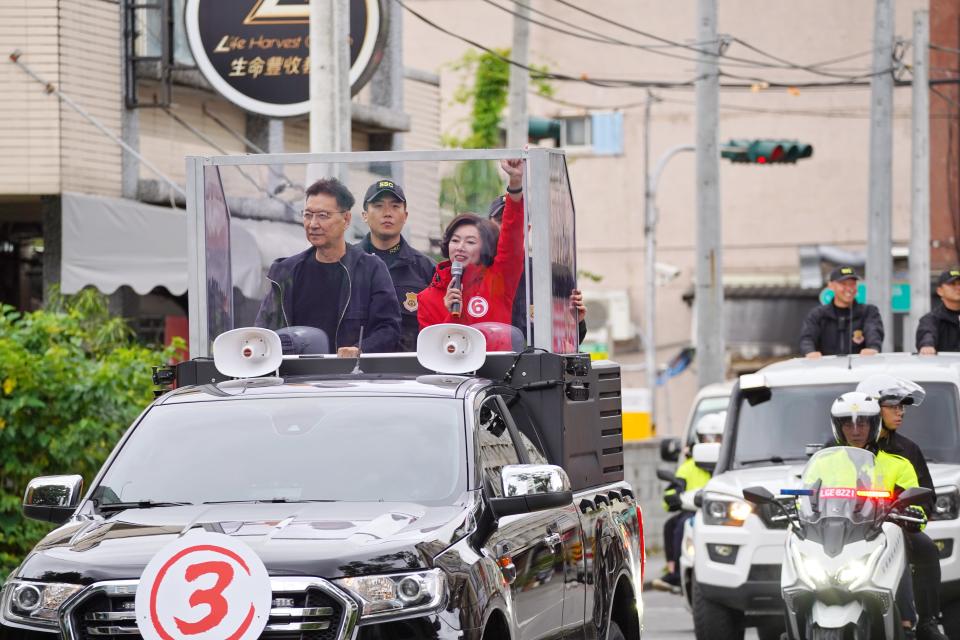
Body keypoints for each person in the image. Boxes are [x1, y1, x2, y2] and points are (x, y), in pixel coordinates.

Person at [817, 392, 946, 640]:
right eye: (848, 424)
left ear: (873, 424)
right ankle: (793, 616)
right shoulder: (826, 461)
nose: (855, 430)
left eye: (863, 423)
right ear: (838, 426)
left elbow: (918, 498)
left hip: (880, 532)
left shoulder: (899, 462)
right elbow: (809, 494)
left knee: (914, 547)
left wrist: (909, 511)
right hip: (836, 534)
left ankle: (911, 622)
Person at [255, 177, 401, 356]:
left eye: (323, 216)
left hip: (351, 378)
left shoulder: (370, 269)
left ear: (346, 219)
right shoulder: (286, 272)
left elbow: (389, 329)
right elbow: (264, 331)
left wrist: (360, 350)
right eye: (308, 215)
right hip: (294, 379)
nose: (313, 224)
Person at [857, 375, 941, 638]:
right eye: (893, 405)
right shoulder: (842, 445)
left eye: (902, 406)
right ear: (871, 407)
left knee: (926, 548)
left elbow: (926, 497)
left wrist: (913, 515)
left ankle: (924, 621)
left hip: (893, 526)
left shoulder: (907, 449)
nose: (900, 411)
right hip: (846, 527)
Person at [417, 159, 525, 333]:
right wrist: (451, 313)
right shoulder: (427, 298)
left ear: (484, 248)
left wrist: (515, 182)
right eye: (455, 240)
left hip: (497, 361)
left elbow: (512, 235)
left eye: (470, 242)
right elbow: (434, 351)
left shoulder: (498, 279)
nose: (460, 247)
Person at [488, 195, 588, 344]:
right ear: (487, 228)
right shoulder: (478, 275)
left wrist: (577, 321)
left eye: (516, 221)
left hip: (539, 365)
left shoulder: (554, 275)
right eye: (501, 220)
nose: (508, 225)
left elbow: (571, 341)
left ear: (527, 229)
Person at [652, 411, 725, 593]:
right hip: (693, 510)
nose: (711, 442)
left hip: (723, 513)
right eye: (707, 438)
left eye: (717, 438)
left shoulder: (728, 463)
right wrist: (672, 497)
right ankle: (675, 573)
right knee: (672, 525)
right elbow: (672, 490)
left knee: (682, 525)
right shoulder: (688, 466)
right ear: (699, 439)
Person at [359, 179, 435, 352]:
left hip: (410, 370)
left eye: (395, 206)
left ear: (405, 215)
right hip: (357, 368)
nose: (387, 213)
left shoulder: (426, 269)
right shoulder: (347, 264)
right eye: (378, 206)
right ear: (364, 215)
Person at [799, 266, 883, 358]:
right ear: (831, 286)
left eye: (852, 284)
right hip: (825, 370)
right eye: (843, 284)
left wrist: (873, 348)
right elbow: (807, 338)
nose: (849, 288)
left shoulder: (869, 312)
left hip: (859, 370)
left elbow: (874, 332)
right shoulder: (817, 314)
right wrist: (810, 352)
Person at [917, 268, 960, 355]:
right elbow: (927, 333)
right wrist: (927, 345)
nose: (958, 287)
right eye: (952, 284)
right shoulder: (931, 319)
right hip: (943, 367)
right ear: (939, 291)